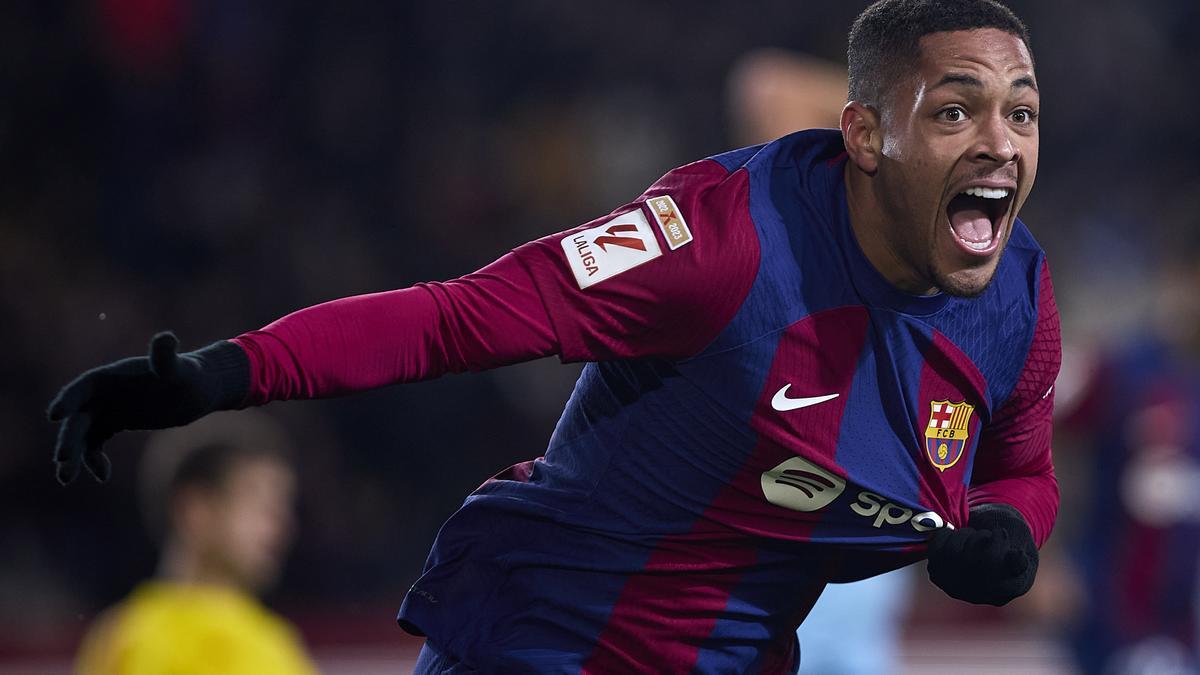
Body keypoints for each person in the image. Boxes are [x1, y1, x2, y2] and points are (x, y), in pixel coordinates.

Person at [49, 0, 1059, 671]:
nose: (1000, 144)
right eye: (957, 111)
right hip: (542, 645)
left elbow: (1022, 466)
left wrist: (1014, 531)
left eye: (1022, 113)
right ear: (866, 136)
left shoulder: (1015, 299)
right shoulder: (721, 244)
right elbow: (458, 316)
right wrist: (226, 373)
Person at [74, 412, 317, 675]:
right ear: (195, 509)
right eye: (257, 501)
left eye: (279, 506)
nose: (279, 526)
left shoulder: (277, 644)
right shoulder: (130, 641)